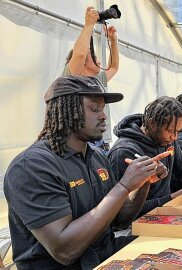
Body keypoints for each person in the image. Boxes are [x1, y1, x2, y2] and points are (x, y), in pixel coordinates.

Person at [3, 76, 165, 270]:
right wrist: (123, 186)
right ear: (65, 110)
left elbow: (120, 221)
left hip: (106, 255)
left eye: (103, 108)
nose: (103, 115)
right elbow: (65, 251)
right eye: (94, 109)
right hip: (65, 266)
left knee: (174, 249)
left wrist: (143, 183)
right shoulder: (31, 166)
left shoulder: (96, 156)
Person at [108, 97, 182, 216]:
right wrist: (179, 194)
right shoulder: (124, 152)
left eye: (178, 131)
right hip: (137, 224)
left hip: (165, 211)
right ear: (152, 124)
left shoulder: (167, 140)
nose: (175, 137)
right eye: (171, 131)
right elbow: (125, 213)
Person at [63, 6, 119, 85]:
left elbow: (113, 67)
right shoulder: (70, 76)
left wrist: (113, 41)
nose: (99, 62)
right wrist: (89, 24)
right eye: (94, 57)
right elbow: (80, 54)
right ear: (82, 63)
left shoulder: (96, 81)